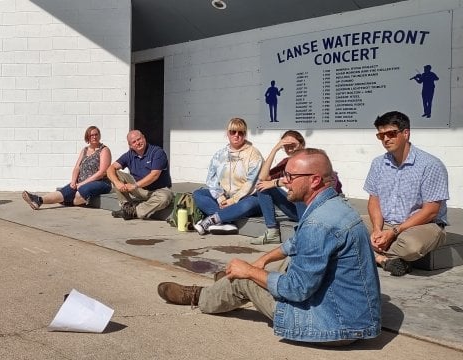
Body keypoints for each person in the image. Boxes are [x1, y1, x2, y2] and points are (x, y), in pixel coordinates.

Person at [158, 149, 381, 345]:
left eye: (290, 176)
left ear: (314, 180)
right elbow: (296, 243)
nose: (284, 182)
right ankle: (226, 285)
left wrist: (250, 272)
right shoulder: (334, 206)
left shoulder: (318, 224)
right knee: (284, 260)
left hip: (332, 326)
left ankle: (201, 296)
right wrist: (263, 260)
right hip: (353, 315)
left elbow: (296, 289)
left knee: (244, 280)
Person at [363, 111, 448, 276]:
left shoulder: (430, 165)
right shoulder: (378, 163)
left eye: (391, 133)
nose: (386, 139)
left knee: (411, 246)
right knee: (346, 227)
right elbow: (374, 200)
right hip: (386, 223)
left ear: (406, 133)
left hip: (422, 226)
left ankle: (366, 254)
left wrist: (394, 232)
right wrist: (376, 229)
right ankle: (383, 260)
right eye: (381, 136)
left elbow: (431, 211)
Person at [193, 118, 263, 235]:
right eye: (233, 132)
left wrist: (233, 200)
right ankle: (225, 221)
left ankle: (212, 220)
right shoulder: (220, 154)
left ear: (245, 134)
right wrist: (220, 197)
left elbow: (251, 183)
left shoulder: (254, 154)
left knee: (249, 204)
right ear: (227, 133)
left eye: (241, 133)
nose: (236, 136)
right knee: (198, 194)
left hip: (246, 197)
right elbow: (212, 178)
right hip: (225, 197)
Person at [22, 126, 112, 209]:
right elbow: (77, 168)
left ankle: (68, 201)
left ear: (99, 135)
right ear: (87, 137)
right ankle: (38, 200)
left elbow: (102, 172)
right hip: (81, 183)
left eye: (96, 134)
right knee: (64, 191)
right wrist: (73, 181)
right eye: (91, 135)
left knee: (82, 190)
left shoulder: (104, 150)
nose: (94, 137)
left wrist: (82, 183)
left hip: (101, 182)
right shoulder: (85, 150)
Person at [252, 131, 307, 244]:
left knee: (299, 191)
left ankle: (305, 232)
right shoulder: (286, 162)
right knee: (262, 186)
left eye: (293, 145)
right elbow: (263, 177)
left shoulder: (310, 159)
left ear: (302, 144)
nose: (290, 149)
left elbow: (302, 181)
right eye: (286, 147)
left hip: (311, 211)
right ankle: (272, 231)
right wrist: (275, 149)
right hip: (295, 209)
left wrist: (276, 183)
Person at [106, 130, 173, 220]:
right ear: (130, 145)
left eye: (139, 139)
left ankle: (133, 211)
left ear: (144, 138)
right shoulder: (129, 155)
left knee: (165, 197)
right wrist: (117, 183)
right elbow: (110, 168)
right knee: (116, 174)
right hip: (139, 189)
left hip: (157, 190)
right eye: (134, 142)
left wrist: (135, 185)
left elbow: (154, 175)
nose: (138, 143)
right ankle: (126, 206)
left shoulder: (157, 152)